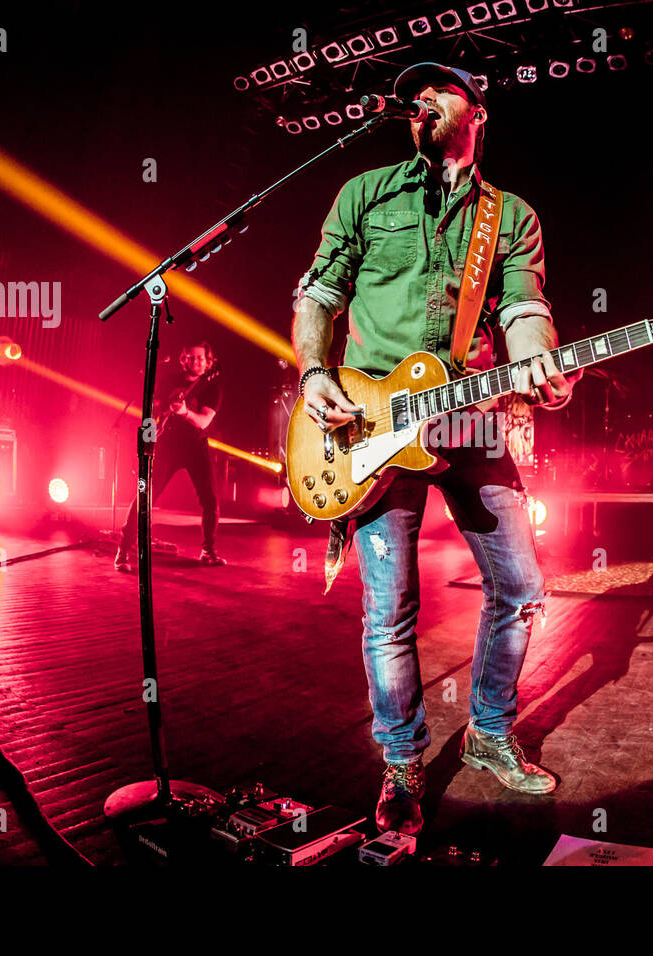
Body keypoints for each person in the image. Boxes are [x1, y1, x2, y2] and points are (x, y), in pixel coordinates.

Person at [292, 62, 581, 835]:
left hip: (471, 416)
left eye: (437, 88)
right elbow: (319, 294)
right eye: (411, 91)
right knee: (390, 612)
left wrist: (541, 359)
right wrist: (316, 371)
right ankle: (401, 759)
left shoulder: (509, 216)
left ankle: (488, 733)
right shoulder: (365, 193)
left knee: (519, 586)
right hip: (370, 423)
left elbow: (524, 306)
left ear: (475, 113)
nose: (418, 98)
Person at [114, 341, 225, 569]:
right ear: (183, 359)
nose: (195, 362)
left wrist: (184, 413)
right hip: (167, 445)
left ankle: (208, 551)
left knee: (210, 500)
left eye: (200, 358)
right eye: (191, 357)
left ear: (208, 362)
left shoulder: (211, 387)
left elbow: (203, 421)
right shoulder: (168, 381)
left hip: (195, 446)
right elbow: (152, 413)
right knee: (145, 496)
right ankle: (123, 550)